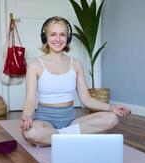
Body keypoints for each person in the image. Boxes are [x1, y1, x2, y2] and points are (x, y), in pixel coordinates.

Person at [20, 16, 131, 146]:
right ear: (45, 37)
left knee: (112, 118)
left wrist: (112, 107)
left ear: (68, 38)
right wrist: (27, 116)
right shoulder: (35, 65)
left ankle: (57, 137)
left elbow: (86, 99)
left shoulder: (76, 64)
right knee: (30, 133)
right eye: (53, 34)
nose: (58, 39)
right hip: (45, 122)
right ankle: (71, 135)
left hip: (71, 121)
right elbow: (30, 100)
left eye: (62, 35)